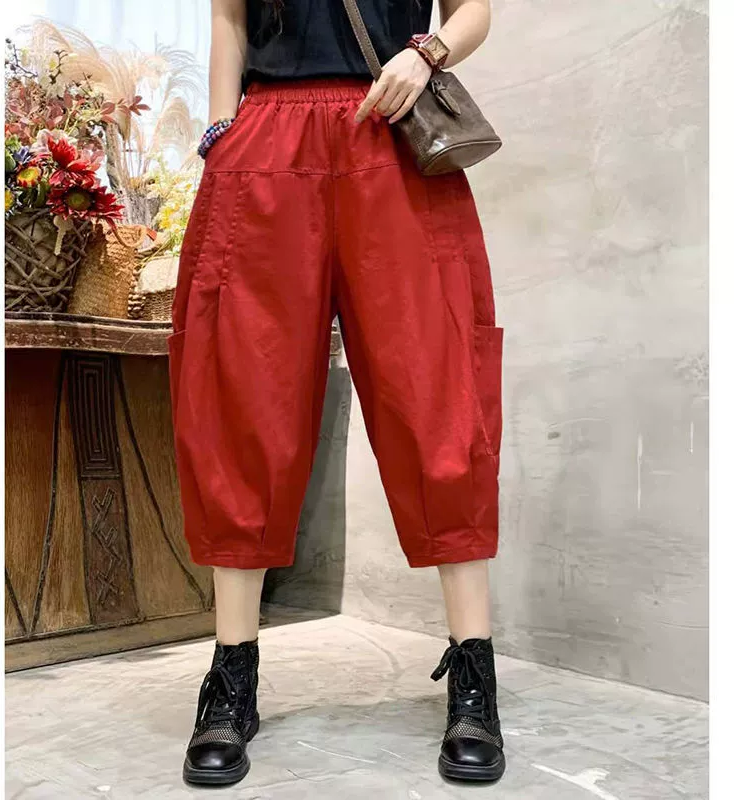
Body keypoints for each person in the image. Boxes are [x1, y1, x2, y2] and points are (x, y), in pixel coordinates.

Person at [170, 0, 505, 787]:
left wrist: (426, 53)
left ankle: (474, 677)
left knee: (438, 394)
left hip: (390, 129)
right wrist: (221, 132)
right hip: (265, 140)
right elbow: (229, 18)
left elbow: (475, 10)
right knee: (241, 399)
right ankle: (231, 681)